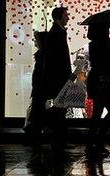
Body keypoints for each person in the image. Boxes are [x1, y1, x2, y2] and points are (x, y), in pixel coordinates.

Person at [86, 23, 110, 155]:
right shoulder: (105, 43)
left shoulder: (93, 43)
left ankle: (93, 141)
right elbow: (109, 60)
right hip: (104, 80)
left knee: (97, 112)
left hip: (96, 79)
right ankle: (98, 139)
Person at [42, 7, 72, 151]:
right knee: (61, 108)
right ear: (60, 17)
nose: (68, 18)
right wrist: (67, 75)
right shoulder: (57, 33)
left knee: (61, 107)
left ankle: (59, 138)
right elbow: (58, 59)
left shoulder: (57, 32)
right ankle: (58, 138)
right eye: (66, 15)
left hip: (58, 77)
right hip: (59, 78)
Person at [23, 31, 48, 145]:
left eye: (36, 39)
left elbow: (39, 73)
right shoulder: (43, 54)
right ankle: (34, 134)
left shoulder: (42, 55)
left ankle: (33, 134)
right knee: (38, 110)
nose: (35, 42)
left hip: (39, 87)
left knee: (37, 110)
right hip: (39, 86)